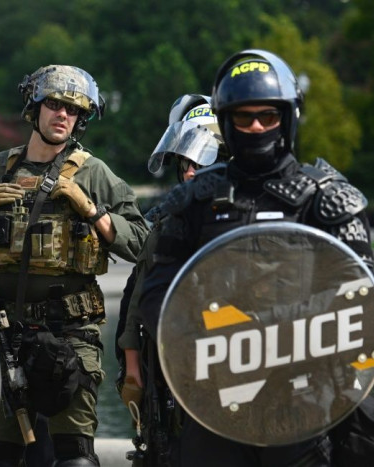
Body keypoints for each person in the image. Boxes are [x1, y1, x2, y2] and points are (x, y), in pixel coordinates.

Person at [138, 49, 374, 466]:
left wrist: (267, 333)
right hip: (216, 398)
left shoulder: (327, 200)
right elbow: (157, 296)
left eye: (267, 116)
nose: (255, 127)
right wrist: (210, 340)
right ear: (226, 122)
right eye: (244, 117)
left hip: (305, 398)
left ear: (287, 118)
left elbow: (359, 301)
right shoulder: (196, 200)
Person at [0, 64, 149, 466]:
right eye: (55, 104)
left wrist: (90, 209)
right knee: (0, 457)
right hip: (5, 337)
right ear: (34, 108)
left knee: (74, 456)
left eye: (73, 111)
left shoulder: (93, 173)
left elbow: (142, 242)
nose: (63, 116)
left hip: (71, 335)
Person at [114, 95, 226, 464]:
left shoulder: (246, 218)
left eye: (203, 161)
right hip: (170, 367)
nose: (191, 171)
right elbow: (138, 296)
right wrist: (132, 370)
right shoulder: (167, 220)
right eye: (186, 162)